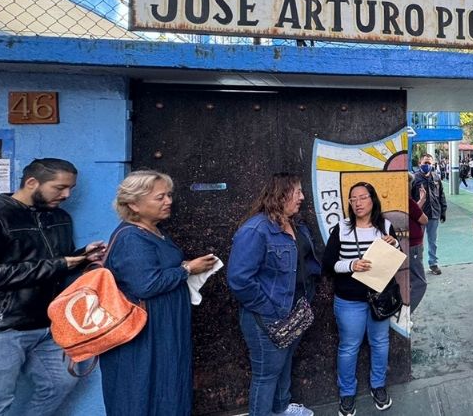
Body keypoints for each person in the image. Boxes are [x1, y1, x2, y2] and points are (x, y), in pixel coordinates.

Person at [101, 170, 218, 416]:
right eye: (160, 197)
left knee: (167, 386)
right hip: (145, 334)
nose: (169, 201)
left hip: (163, 328)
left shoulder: (154, 231)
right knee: (142, 390)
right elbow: (147, 285)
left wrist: (185, 269)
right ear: (134, 203)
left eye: (169, 195)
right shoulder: (132, 238)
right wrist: (187, 268)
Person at [0, 158, 105, 416]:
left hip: (50, 324)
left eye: (71, 189)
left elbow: (58, 263)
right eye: (59, 188)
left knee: (61, 383)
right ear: (32, 182)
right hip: (4, 327)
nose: (66, 195)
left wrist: (82, 258)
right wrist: (61, 264)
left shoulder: (59, 217)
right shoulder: (0, 217)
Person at [228, 173, 319, 416]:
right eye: (297, 191)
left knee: (284, 363)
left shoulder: (296, 225)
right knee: (266, 375)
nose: (302, 197)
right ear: (280, 194)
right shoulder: (255, 230)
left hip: (295, 311)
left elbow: (307, 261)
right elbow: (239, 279)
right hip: (266, 317)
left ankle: (282, 408)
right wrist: (270, 309)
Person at [323, 183, 400, 416]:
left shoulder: (385, 226)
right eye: (352, 198)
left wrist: (394, 244)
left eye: (362, 197)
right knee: (348, 347)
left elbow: (394, 261)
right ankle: (347, 393)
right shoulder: (342, 228)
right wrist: (351, 265)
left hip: (380, 298)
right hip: (349, 300)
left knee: (380, 343)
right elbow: (328, 264)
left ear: (372, 200)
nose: (357, 202)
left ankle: (378, 386)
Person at [412, 154, 447, 275]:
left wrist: (443, 211)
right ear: (419, 163)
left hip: (434, 214)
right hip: (419, 215)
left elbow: (441, 194)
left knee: (433, 241)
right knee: (418, 242)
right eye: (425, 163)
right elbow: (410, 199)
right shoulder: (414, 179)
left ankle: (433, 264)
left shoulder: (436, 177)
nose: (427, 165)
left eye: (429, 163)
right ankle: (418, 265)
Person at [407, 173, 428, 311]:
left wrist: (421, 200)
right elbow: (423, 219)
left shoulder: (406, 202)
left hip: (409, 244)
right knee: (420, 283)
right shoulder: (406, 200)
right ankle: (406, 313)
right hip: (413, 246)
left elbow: (414, 211)